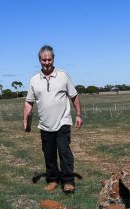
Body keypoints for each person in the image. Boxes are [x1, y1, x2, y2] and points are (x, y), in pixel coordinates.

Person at [23, 45, 83, 194]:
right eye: (44, 60)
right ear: (39, 60)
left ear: (53, 59)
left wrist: (79, 114)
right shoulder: (34, 80)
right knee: (49, 155)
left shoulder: (63, 76)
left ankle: (68, 181)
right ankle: (52, 180)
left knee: (64, 152)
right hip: (45, 124)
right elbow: (29, 102)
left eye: (49, 59)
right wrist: (25, 120)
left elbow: (74, 96)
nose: (47, 63)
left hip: (63, 121)